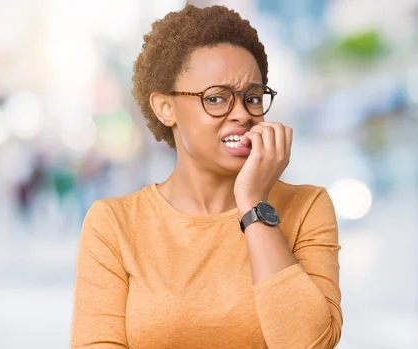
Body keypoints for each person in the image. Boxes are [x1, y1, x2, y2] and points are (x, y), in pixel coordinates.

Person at [71, 5, 342, 349]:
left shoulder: (307, 206)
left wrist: (255, 205)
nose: (242, 114)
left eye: (253, 98)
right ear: (165, 108)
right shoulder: (113, 224)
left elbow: (310, 344)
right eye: (216, 98)